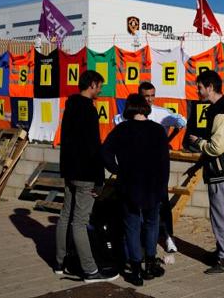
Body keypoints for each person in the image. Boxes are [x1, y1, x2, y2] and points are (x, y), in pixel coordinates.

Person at [55, 70, 118, 283]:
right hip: (85, 174)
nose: (100, 90)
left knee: (65, 215)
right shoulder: (89, 111)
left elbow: (66, 141)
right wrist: (99, 179)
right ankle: (90, 270)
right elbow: (94, 148)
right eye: (99, 86)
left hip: (70, 172)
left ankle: (59, 262)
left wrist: (65, 170)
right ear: (91, 84)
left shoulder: (70, 106)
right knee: (80, 222)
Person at [103, 94, 170, 286]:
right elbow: (165, 163)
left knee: (131, 227)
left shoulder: (122, 129)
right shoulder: (158, 130)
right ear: (145, 107)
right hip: (153, 186)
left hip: (128, 185)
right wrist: (162, 187)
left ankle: (135, 271)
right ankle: (150, 264)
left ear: (129, 108)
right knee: (151, 224)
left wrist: (117, 170)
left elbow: (105, 152)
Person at [113, 81, 186, 253]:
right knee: (135, 207)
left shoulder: (161, 113)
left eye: (153, 95)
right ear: (139, 96)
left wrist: (168, 138)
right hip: (136, 168)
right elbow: (117, 125)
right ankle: (138, 243)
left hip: (156, 167)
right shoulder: (127, 115)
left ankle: (168, 236)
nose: (150, 99)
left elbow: (181, 121)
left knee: (162, 201)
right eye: (146, 96)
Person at [188, 70, 224, 274]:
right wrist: (198, 165)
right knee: (219, 213)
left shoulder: (221, 113)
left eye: (200, 87)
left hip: (222, 172)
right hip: (221, 170)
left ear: (210, 88)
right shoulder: (220, 110)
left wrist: (199, 143)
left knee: (221, 215)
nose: (198, 91)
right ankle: (222, 252)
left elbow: (217, 148)